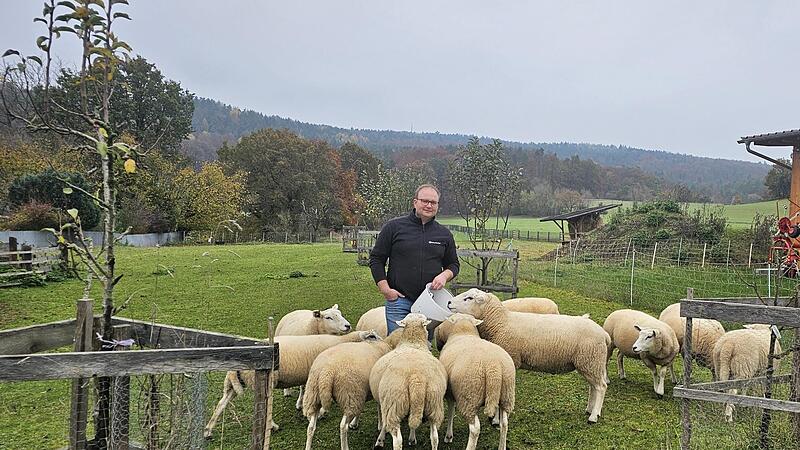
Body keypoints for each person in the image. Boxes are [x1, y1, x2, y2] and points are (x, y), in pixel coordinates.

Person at [369, 184, 460, 335]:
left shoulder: (444, 234)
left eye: (433, 202)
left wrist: (444, 275)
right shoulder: (394, 227)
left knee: (423, 348)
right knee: (398, 346)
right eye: (425, 201)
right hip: (399, 301)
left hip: (430, 303)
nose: (429, 205)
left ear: (438, 205)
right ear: (415, 202)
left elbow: (453, 264)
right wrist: (385, 290)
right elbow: (376, 259)